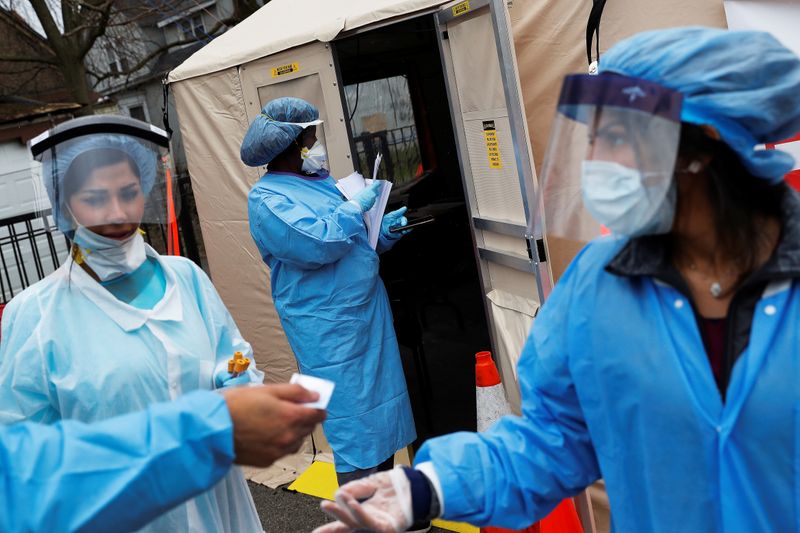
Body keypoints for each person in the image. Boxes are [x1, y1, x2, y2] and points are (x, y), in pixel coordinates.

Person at [314, 27, 800, 532]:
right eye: (591, 142)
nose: (595, 166)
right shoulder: (600, 284)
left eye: (615, 138)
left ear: (703, 144)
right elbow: (554, 440)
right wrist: (429, 487)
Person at [0, 116, 268, 532]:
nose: (117, 213)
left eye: (129, 193)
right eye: (95, 198)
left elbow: (233, 356)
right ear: (64, 203)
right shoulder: (35, 315)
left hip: (219, 508)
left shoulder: (186, 279)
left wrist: (238, 386)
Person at [241, 98, 417, 487]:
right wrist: (354, 210)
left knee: (382, 421)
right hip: (328, 331)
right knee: (352, 426)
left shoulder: (319, 183)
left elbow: (350, 244)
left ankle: (381, 512)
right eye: (312, 137)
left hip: (367, 318)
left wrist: (380, 233)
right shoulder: (268, 199)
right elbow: (315, 243)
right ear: (293, 146)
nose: (317, 145)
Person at [0, 384, 326, 532]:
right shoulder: (34, 313)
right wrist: (211, 431)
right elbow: (23, 480)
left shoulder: (187, 277)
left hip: (217, 497)